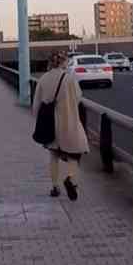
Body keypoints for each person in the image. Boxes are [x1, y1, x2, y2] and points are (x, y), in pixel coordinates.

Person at [32, 51, 89, 200]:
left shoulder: (43, 79)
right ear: (63, 62)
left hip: (50, 124)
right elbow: (78, 97)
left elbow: (36, 105)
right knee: (74, 155)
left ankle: (55, 187)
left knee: (53, 156)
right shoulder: (69, 79)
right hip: (69, 122)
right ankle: (70, 178)